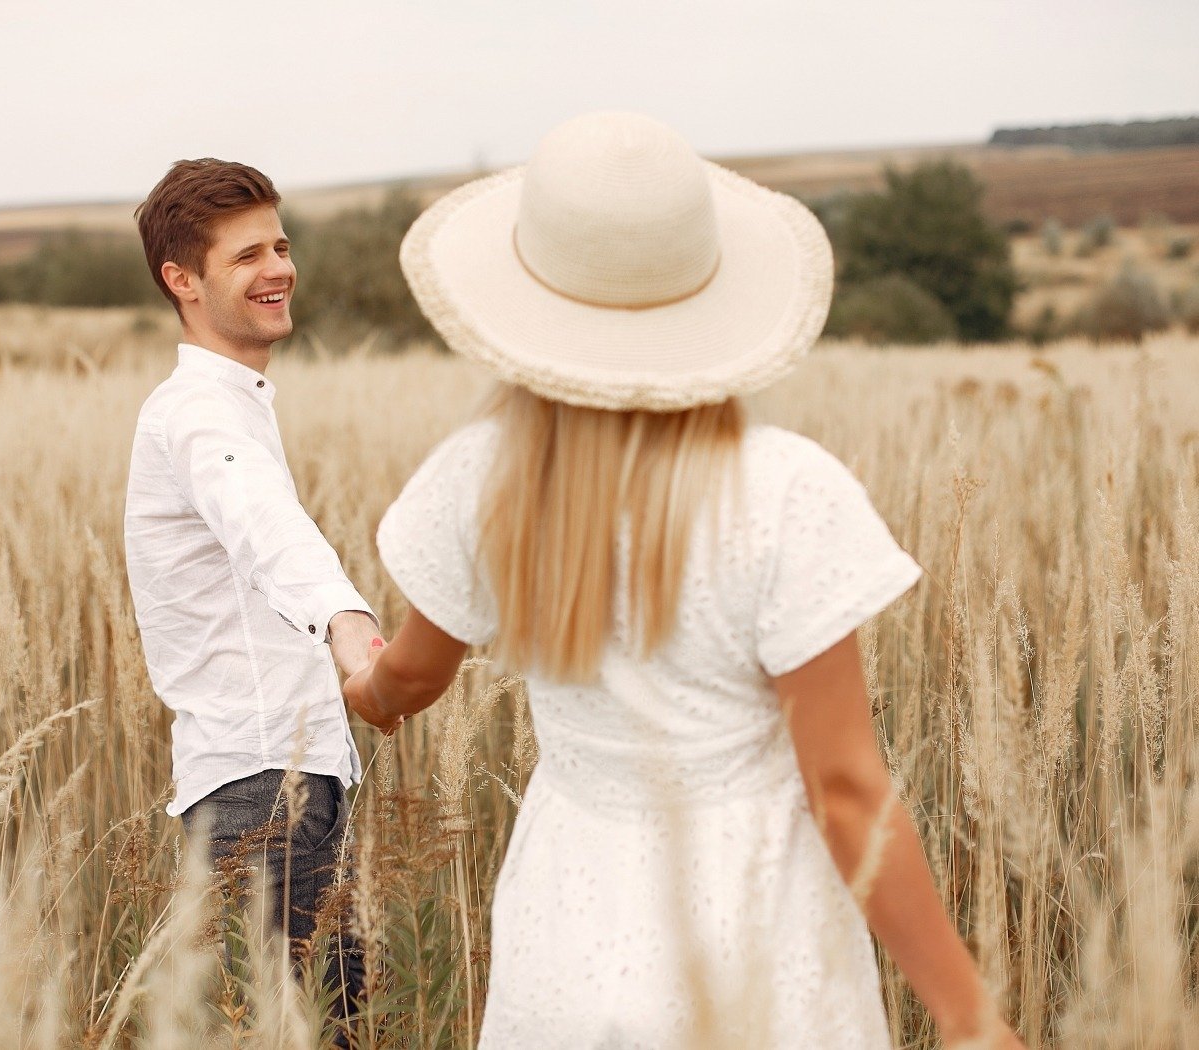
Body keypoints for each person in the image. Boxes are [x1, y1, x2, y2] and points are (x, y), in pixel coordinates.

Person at [343, 113, 1027, 1048]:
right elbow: (845, 787)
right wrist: (967, 1014)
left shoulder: (480, 479)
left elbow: (412, 678)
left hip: (566, 937)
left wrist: (366, 686)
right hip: (763, 944)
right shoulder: (787, 492)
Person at [123, 158, 375, 1027]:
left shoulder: (231, 402)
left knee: (323, 1029)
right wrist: (347, 622)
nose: (278, 269)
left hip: (278, 778)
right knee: (312, 1034)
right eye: (246, 257)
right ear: (182, 280)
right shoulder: (199, 414)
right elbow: (263, 520)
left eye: (281, 244)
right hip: (264, 787)